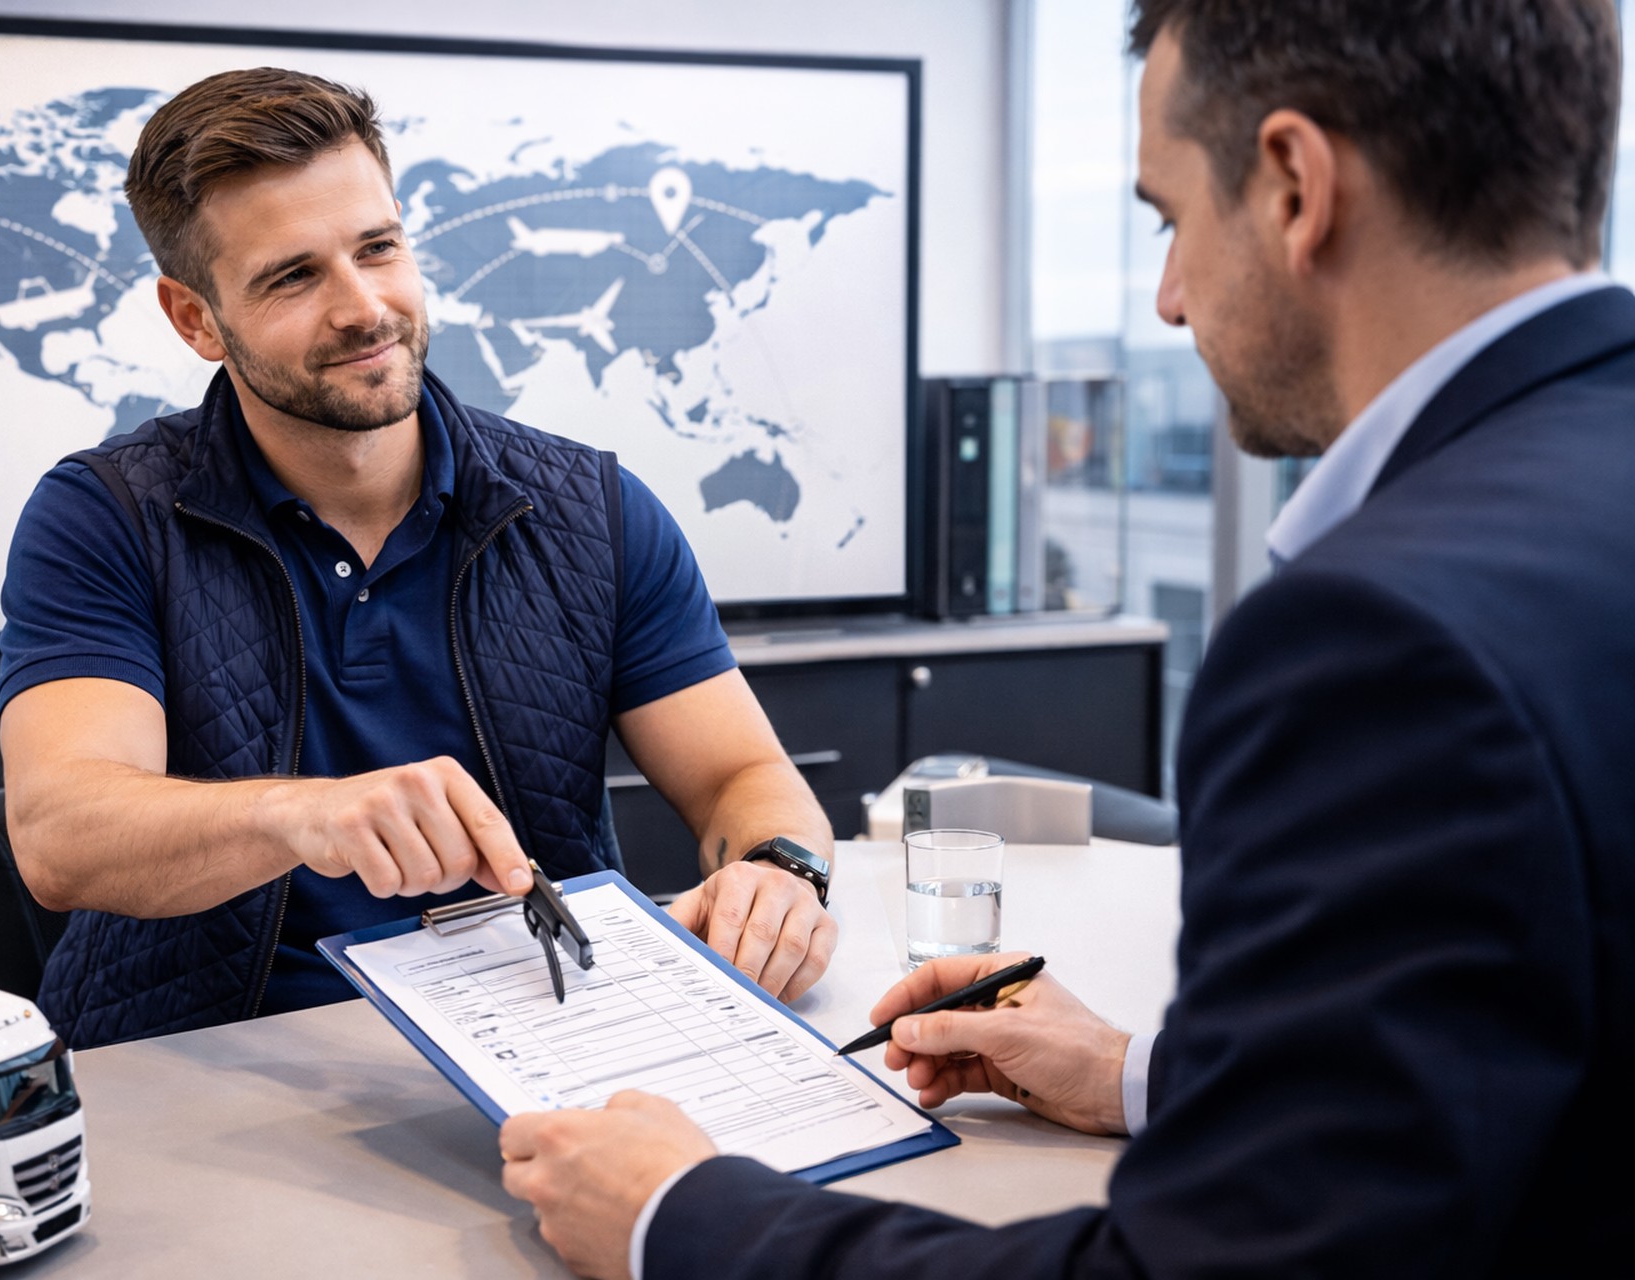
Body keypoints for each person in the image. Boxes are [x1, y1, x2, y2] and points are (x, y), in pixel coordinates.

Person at [500, 1, 1635, 1275]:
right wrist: (1139, 1071)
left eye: (1168, 216)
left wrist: (681, 1214)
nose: (1164, 297)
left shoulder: (1382, 634)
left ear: (1296, 186)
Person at [0, 67, 836, 1051]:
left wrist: (780, 870)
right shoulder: (105, 517)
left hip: (542, 1045)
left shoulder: (592, 509)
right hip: (211, 1065)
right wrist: (302, 817)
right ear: (194, 319)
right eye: (294, 275)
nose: (365, 306)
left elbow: (743, 771)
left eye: (378, 248)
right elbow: (62, 834)